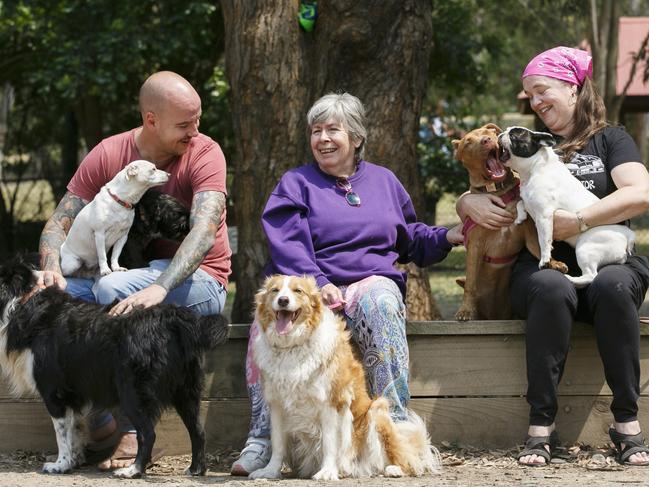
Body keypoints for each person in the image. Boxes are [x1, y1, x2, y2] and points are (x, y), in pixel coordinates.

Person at [230, 92, 464, 475]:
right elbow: (287, 243)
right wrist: (319, 283)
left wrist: (447, 237)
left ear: (355, 137)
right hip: (314, 289)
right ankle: (260, 441)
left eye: (332, 129)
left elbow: (408, 238)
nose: (322, 138)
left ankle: (394, 431)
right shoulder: (296, 184)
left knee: (381, 304)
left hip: (370, 283)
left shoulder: (384, 181)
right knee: (266, 324)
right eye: (315, 130)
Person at [457, 46, 649, 466]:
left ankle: (627, 424)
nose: (536, 102)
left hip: (609, 255)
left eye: (542, 90)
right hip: (543, 262)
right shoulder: (518, 145)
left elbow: (641, 193)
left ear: (573, 88)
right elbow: (483, 177)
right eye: (530, 95)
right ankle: (540, 427)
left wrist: (577, 222)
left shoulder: (610, 139)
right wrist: (464, 204)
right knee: (548, 286)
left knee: (614, 287)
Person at [38, 71, 231, 470]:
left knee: (111, 290)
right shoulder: (110, 155)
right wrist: (51, 269)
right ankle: (97, 420)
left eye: (197, 120)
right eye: (185, 124)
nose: (196, 131)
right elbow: (60, 222)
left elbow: (204, 231)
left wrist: (161, 286)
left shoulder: (205, 152)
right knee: (48, 305)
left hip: (201, 281)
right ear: (151, 120)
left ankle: (133, 431)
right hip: (125, 275)